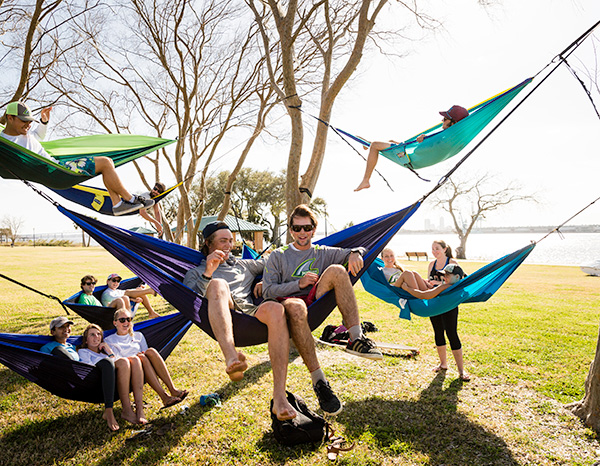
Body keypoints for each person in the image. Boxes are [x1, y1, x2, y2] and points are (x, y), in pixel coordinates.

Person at [262, 204, 383, 415]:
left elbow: (360, 250)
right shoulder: (278, 256)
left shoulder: (322, 252)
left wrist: (354, 253)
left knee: (337, 270)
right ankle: (319, 382)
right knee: (297, 306)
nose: (302, 233)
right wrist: (298, 284)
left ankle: (356, 338)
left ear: (313, 230)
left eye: (306, 228)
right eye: (297, 228)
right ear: (290, 229)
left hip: (314, 301)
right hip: (288, 303)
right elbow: (268, 291)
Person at [183, 221, 297, 421]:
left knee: (276, 309)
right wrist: (208, 272)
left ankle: (279, 397)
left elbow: (277, 262)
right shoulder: (195, 272)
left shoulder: (244, 265)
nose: (228, 245)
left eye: (230, 241)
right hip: (219, 314)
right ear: (209, 244)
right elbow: (189, 300)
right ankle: (231, 358)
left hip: (249, 315)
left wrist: (267, 279)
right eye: (223, 241)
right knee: (218, 284)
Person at [0, 101, 154, 216]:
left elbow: (38, 135)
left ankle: (118, 203)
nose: (28, 125)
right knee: (105, 163)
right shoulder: (5, 143)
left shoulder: (25, 134)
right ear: (10, 118)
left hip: (58, 167)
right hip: (54, 172)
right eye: (23, 120)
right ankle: (130, 199)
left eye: (29, 121)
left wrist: (44, 121)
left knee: (109, 164)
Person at [354, 105, 469, 191]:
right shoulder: (452, 138)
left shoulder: (445, 139)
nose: (442, 121)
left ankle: (366, 180)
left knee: (375, 145)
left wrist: (425, 139)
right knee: (388, 142)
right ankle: (369, 145)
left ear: (454, 123)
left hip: (411, 158)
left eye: (445, 119)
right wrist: (425, 139)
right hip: (414, 156)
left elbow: (424, 149)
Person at [105, 308, 188, 409]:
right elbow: (116, 360)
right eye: (122, 320)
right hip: (128, 371)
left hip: (144, 365)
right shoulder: (110, 340)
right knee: (141, 358)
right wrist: (136, 358)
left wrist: (141, 356)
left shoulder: (138, 335)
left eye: (129, 319)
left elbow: (145, 351)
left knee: (151, 351)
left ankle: (172, 389)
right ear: (115, 323)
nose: (126, 322)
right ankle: (164, 396)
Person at [78, 324, 148, 430]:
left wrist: (108, 350)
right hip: (99, 381)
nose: (96, 337)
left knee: (130, 360)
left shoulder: (104, 353)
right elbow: (88, 369)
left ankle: (135, 408)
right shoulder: (83, 352)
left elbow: (117, 360)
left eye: (98, 334)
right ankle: (110, 411)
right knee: (114, 362)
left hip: (117, 379)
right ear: (86, 341)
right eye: (92, 335)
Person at [425, 240, 470, 381]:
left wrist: (438, 284)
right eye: (432, 249)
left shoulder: (452, 263)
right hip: (434, 303)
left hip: (449, 304)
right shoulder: (431, 265)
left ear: (445, 249)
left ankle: (461, 371)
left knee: (452, 333)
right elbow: (428, 283)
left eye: (437, 248)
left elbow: (461, 283)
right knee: (438, 332)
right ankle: (443, 364)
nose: (434, 251)